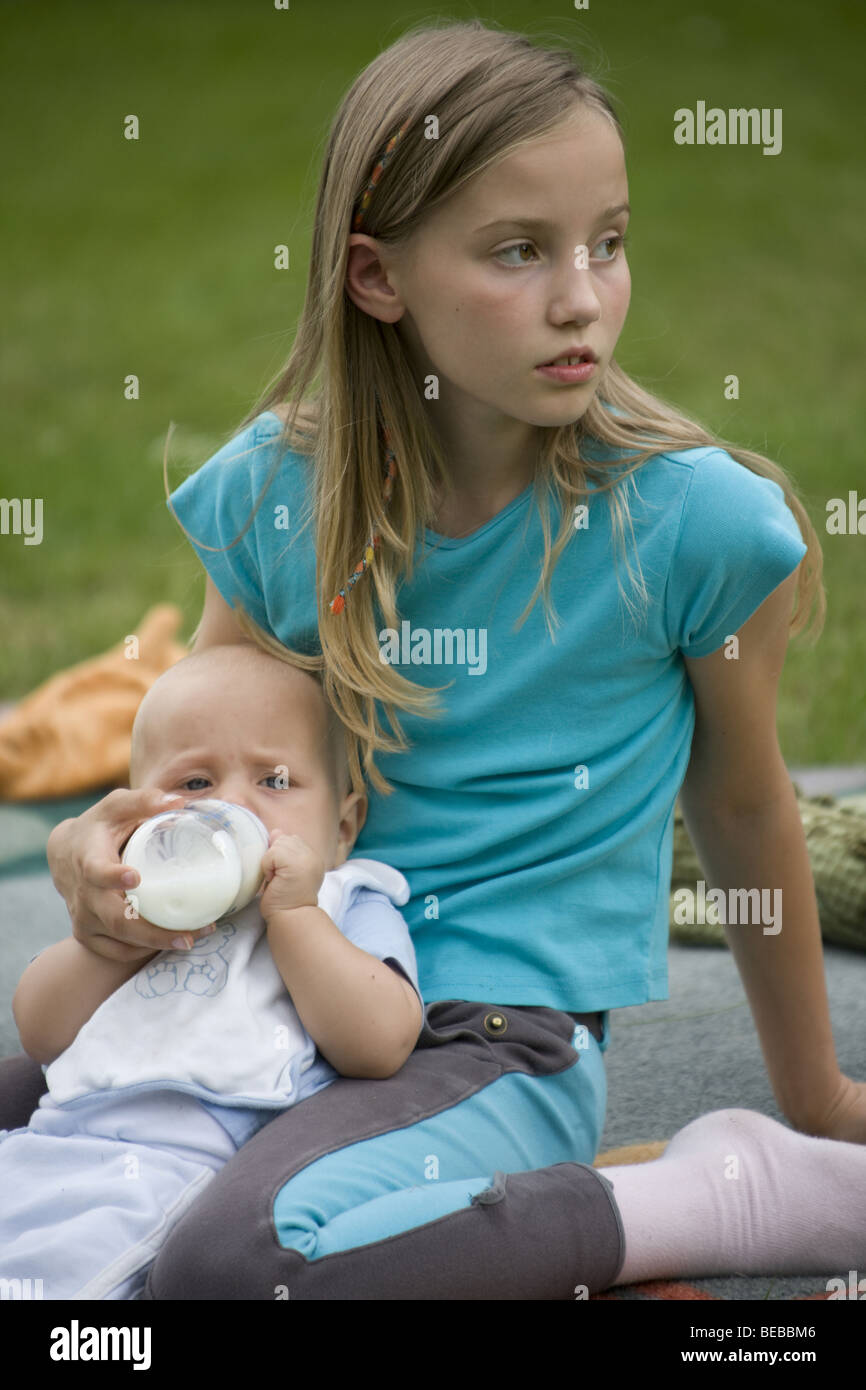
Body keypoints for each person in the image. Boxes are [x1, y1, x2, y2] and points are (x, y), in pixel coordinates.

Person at [2, 18, 865, 1299]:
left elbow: (740, 802)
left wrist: (813, 1096)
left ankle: (707, 1193)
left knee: (240, 1271)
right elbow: (195, 748)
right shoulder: (278, 494)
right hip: (251, 983)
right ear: (375, 277)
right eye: (518, 251)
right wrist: (103, 855)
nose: (581, 296)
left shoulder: (695, 528)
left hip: (493, 1035)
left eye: (608, 243)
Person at [1, 644, 423, 1299]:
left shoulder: (340, 902)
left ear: (342, 827)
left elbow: (382, 1040)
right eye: (195, 784)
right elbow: (41, 1029)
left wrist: (296, 917)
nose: (233, 807)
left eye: (273, 781)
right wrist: (111, 946)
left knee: (66, 1281)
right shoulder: (142, 905)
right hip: (50, 1141)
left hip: (185, 1170)